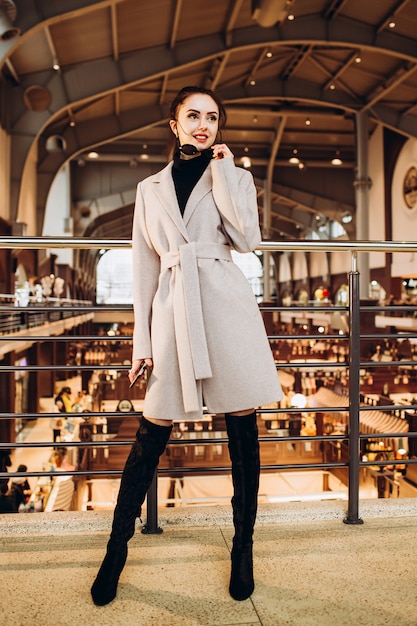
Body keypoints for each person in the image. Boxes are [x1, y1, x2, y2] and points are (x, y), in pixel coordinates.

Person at [91, 85, 282, 606]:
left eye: (212, 118)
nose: (203, 124)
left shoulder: (235, 176)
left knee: (242, 429)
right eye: (192, 115)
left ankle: (243, 548)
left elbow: (247, 239)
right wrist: (141, 341)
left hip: (226, 306)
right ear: (173, 124)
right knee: (152, 428)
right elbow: (144, 268)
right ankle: (115, 550)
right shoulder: (148, 188)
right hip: (172, 311)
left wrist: (223, 171)